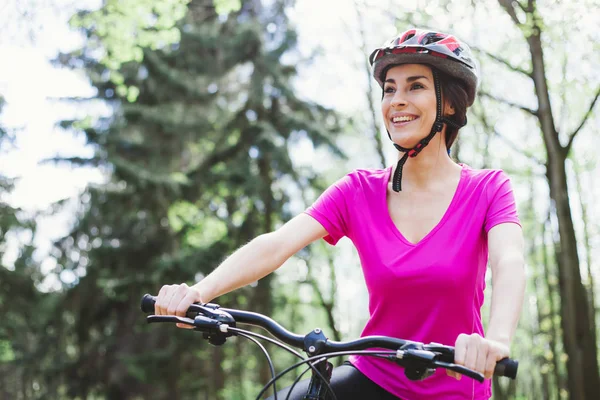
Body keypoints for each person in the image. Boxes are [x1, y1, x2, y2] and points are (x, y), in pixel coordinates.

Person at [154, 28, 526, 400]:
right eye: (389, 89)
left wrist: (495, 340)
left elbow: (508, 261)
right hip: (374, 377)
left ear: (449, 105)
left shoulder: (487, 189)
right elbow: (277, 244)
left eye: (415, 87)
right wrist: (199, 293)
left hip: (455, 385)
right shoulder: (358, 191)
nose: (397, 100)